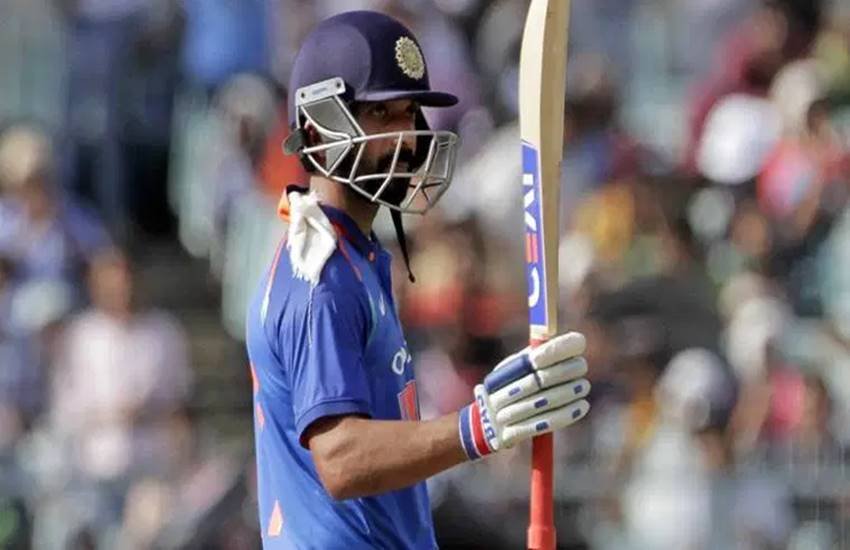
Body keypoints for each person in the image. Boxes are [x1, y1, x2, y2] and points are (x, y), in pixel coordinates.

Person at [245, 11, 592, 549]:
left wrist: (496, 402)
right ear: (316, 128)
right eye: (379, 114)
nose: (404, 138)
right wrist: (479, 426)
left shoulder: (357, 260)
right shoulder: (321, 278)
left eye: (408, 113)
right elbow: (340, 459)